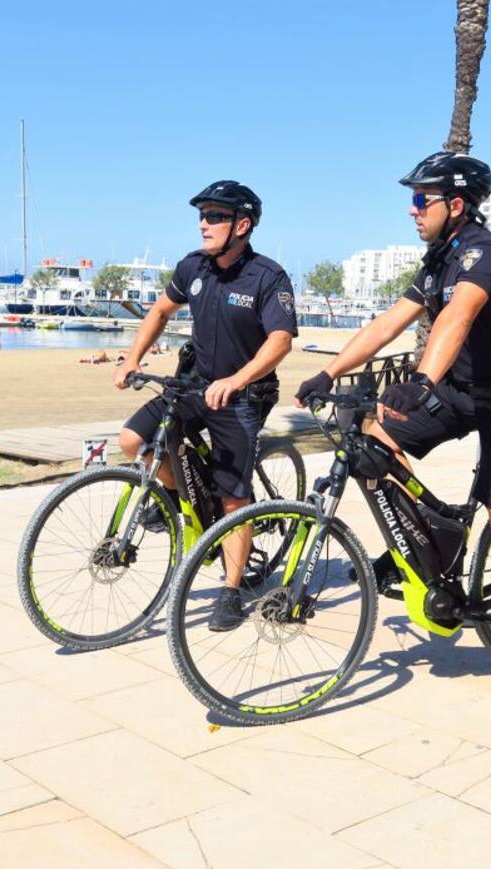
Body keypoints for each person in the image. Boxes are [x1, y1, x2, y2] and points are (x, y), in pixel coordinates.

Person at [294, 152, 491, 710]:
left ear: (455, 205)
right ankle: (429, 543)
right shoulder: (438, 259)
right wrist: (328, 370)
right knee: (373, 440)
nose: (412, 210)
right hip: (462, 394)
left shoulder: (482, 253)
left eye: (421, 200)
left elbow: (458, 317)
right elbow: (389, 322)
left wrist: (419, 381)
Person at [114, 180, 297, 632]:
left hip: (242, 395)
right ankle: (178, 496)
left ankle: (232, 590)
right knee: (133, 440)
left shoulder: (267, 276)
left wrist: (237, 380)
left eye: (215, 216)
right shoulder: (193, 267)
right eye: (202, 215)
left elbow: (281, 340)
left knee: (234, 498)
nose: (204, 224)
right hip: (193, 384)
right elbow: (158, 312)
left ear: (243, 224)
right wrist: (132, 359)